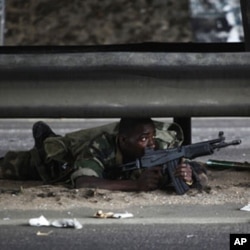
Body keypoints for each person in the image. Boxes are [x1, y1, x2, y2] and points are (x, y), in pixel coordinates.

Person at [0, 118, 208, 193]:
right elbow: (82, 182)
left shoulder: (162, 145)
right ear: (123, 140)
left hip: (115, 170)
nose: (151, 143)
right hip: (63, 163)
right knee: (14, 166)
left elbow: (198, 171)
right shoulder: (100, 145)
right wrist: (135, 186)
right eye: (144, 139)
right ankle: (49, 143)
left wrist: (188, 176)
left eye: (152, 136)